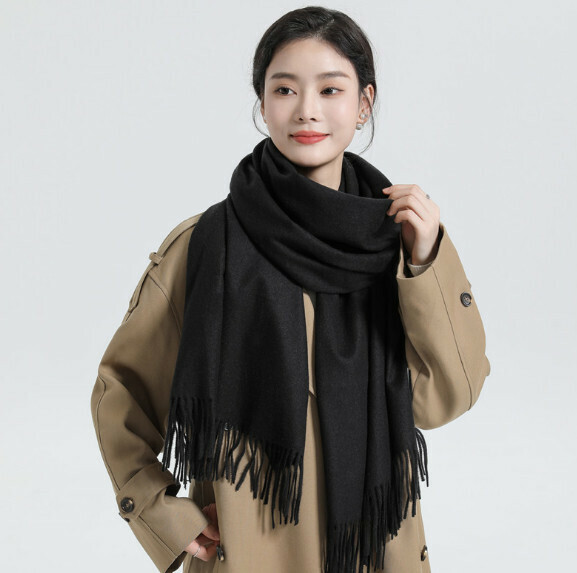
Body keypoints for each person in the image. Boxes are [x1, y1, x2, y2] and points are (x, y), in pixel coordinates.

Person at [90, 6, 490, 573]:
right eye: (284, 89)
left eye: (330, 89)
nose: (307, 110)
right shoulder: (208, 247)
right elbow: (122, 391)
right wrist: (163, 513)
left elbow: (443, 398)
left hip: (376, 554)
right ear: (262, 103)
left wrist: (426, 262)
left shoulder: (396, 246)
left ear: (364, 103)